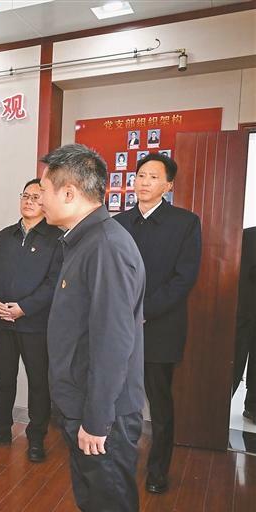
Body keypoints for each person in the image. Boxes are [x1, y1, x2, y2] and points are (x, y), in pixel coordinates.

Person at [40, 144, 145, 512]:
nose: (40, 198)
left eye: (45, 190)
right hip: (85, 405)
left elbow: (113, 342)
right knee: (96, 508)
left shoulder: (106, 247)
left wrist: (97, 420)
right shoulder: (82, 241)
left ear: (69, 193)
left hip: (103, 416)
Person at [114, 152, 202, 494]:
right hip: (119, 328)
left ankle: (157, 470)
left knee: (159, 402)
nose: (144, 182)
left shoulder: (185, 223)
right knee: (117, 397)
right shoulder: (118, 223)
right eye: (140, 176)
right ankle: (118, 461)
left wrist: (143, 311)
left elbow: (184, 278)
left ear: (168, 185)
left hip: (160, 328)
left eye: (153, 177)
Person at [0, 179, 62, 462]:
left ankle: (36, 437)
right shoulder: (5, 235)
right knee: (3, 376)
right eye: (25, 195)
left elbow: (54, 283)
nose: (29, 201)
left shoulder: (56, 238)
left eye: (36, 197)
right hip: (2, 321)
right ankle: (0, 428)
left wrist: (24, 308)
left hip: (35, 324)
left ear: (46, 201)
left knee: (38, 381)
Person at [234, 227, 256, 422]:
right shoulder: (246, 236)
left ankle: (252, 407)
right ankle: (218, 406)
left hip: (244, 309)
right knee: (234, 359)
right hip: (242, 310)